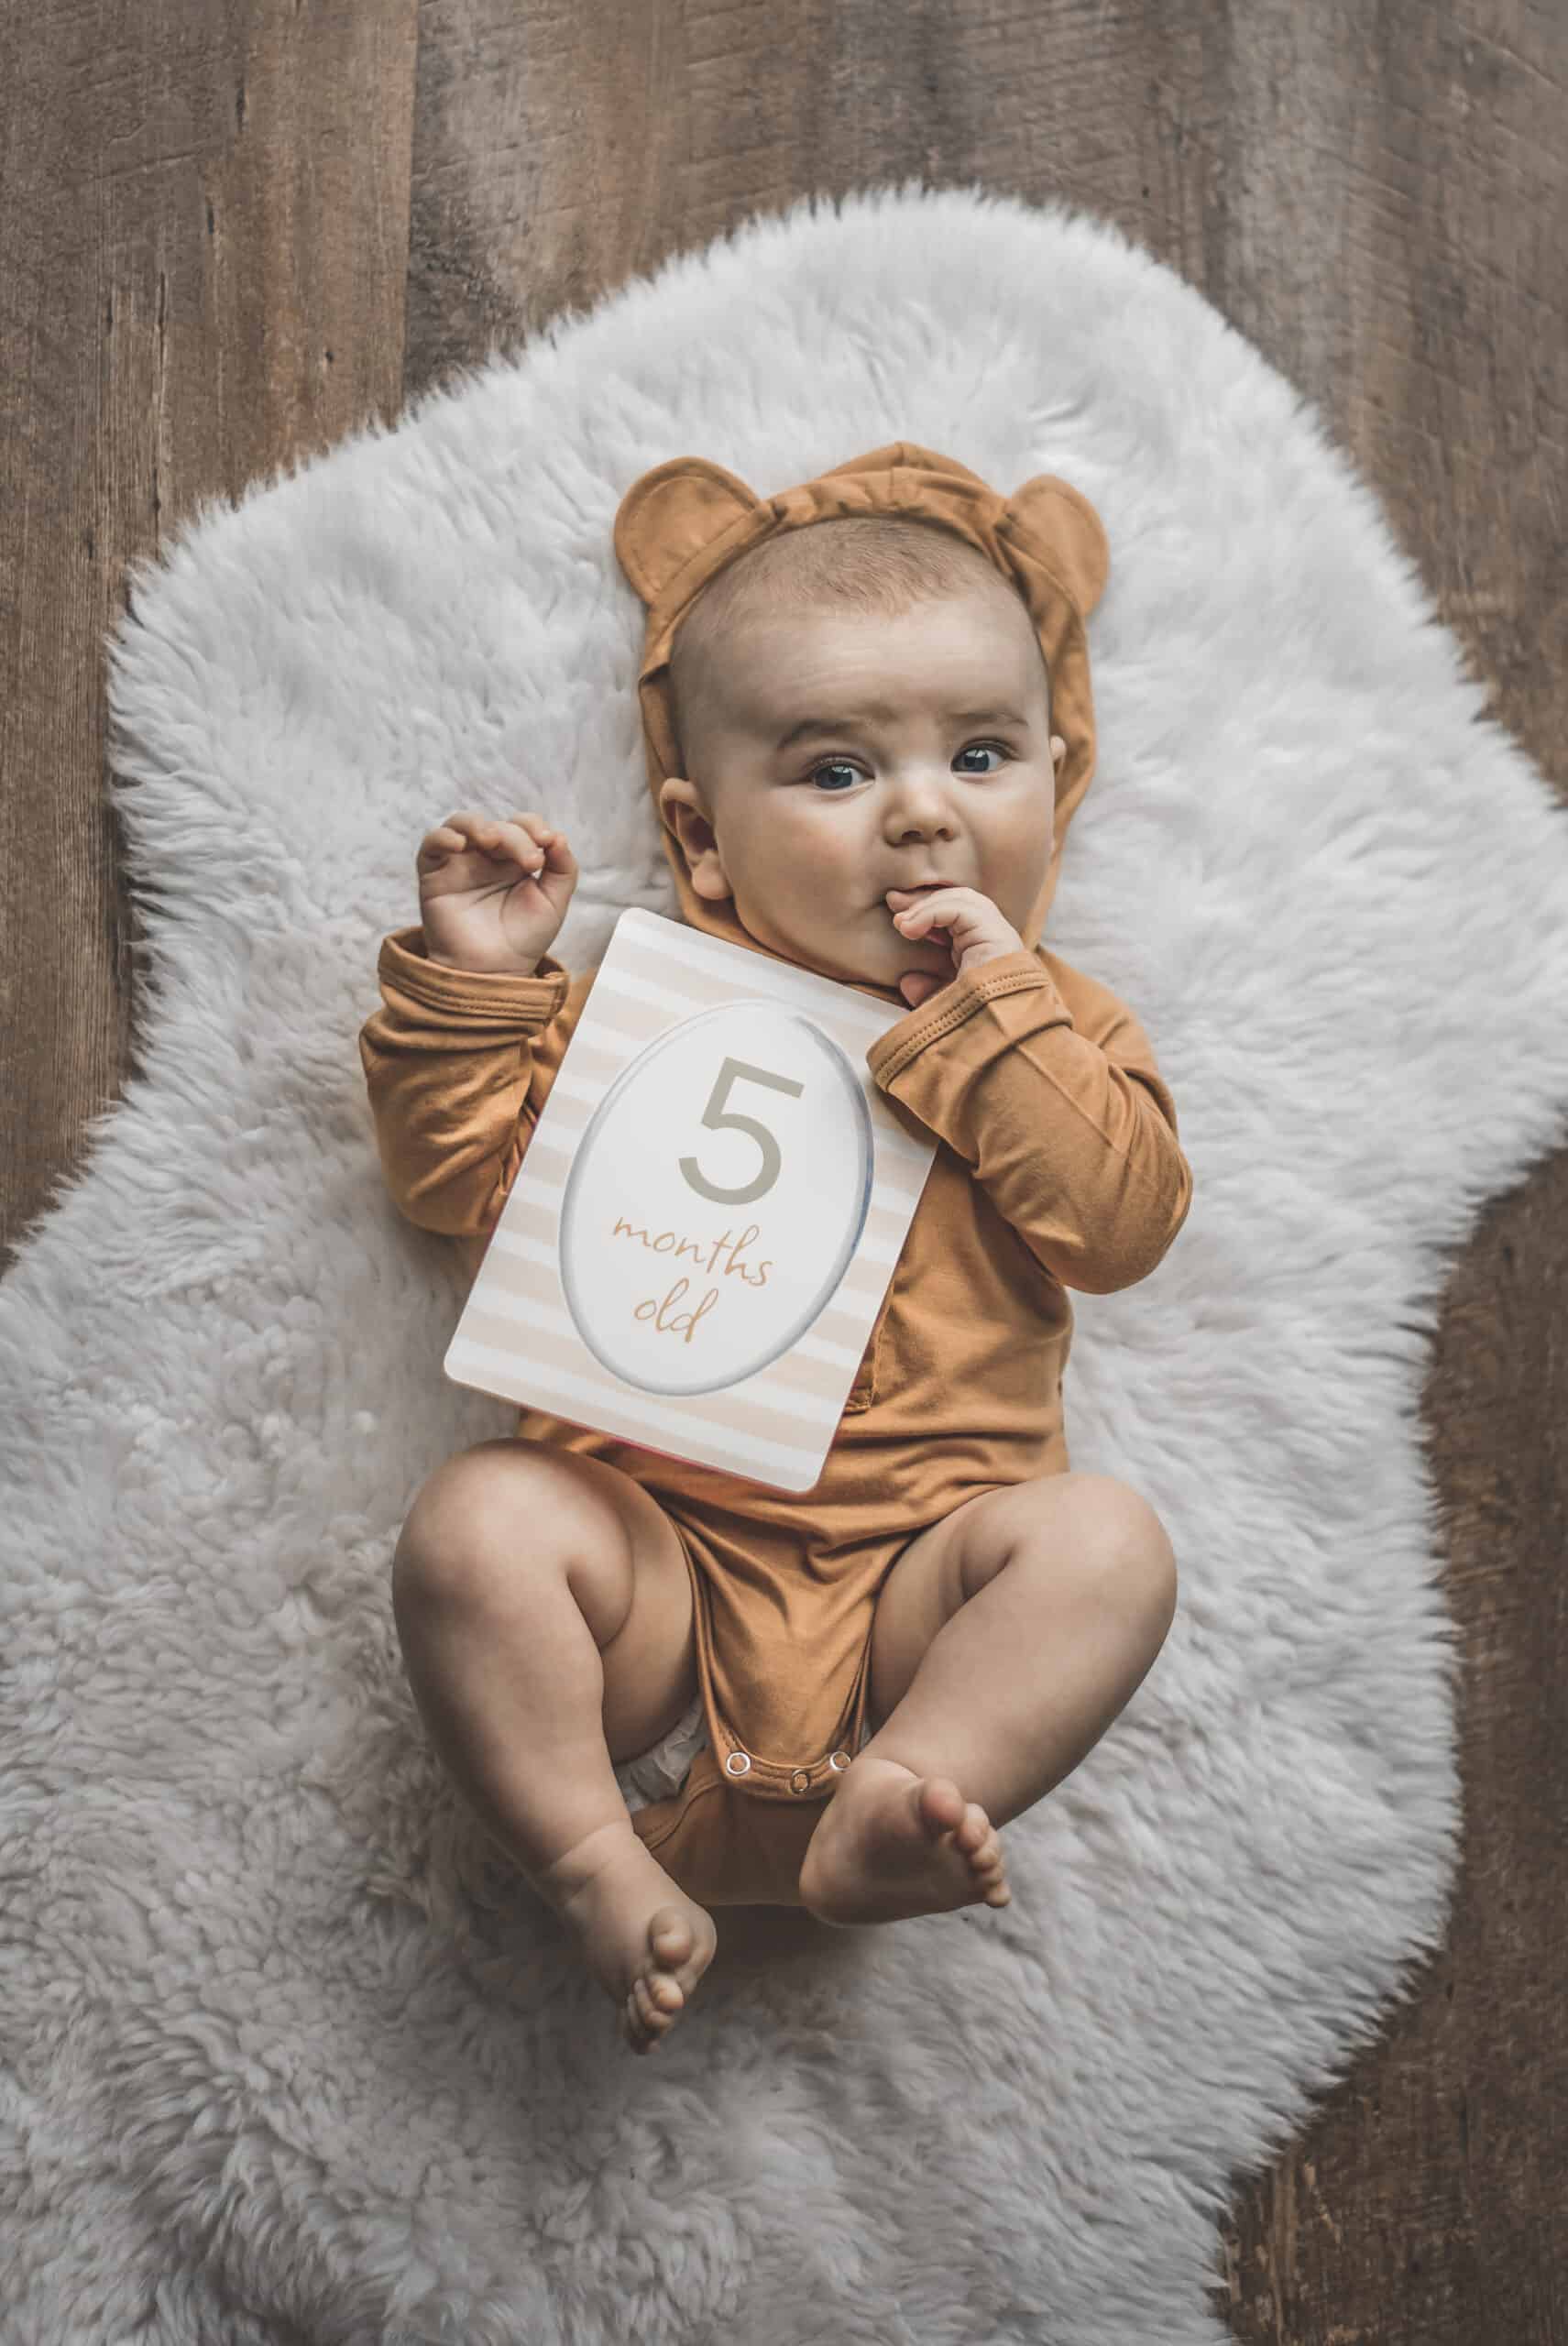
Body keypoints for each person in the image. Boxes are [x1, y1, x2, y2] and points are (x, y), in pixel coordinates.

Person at [358, 442, 1191, 2055]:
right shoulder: (648, 1014)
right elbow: (449, 1185)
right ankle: (592, 1855)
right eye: (834, 773)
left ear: (1057, 780)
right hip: (657, 1613)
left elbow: (1123, 1224)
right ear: (704, 831)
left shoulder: (1060, 1028)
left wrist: (992, 1021)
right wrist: (477, 986)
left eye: (982, 753)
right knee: (477, 1531)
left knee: (1106, 1550)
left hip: (917, 1614)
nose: (924, 816)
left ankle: (897, 1804)